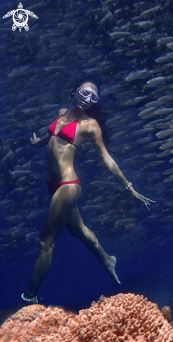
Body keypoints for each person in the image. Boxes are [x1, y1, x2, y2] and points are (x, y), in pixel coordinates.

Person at [22, 78, 154, 304]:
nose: (88, 99)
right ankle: (107, 259)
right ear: (74, 92)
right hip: (52, 184)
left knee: (46, 242)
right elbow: (51, 136)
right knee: (79, 230)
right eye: (85, 92)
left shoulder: (90, 125)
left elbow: (106, 159)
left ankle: (29, 298)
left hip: (68, 186)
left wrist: (129, 187)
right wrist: (37, 143)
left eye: (94, 97)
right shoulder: (62, 112)